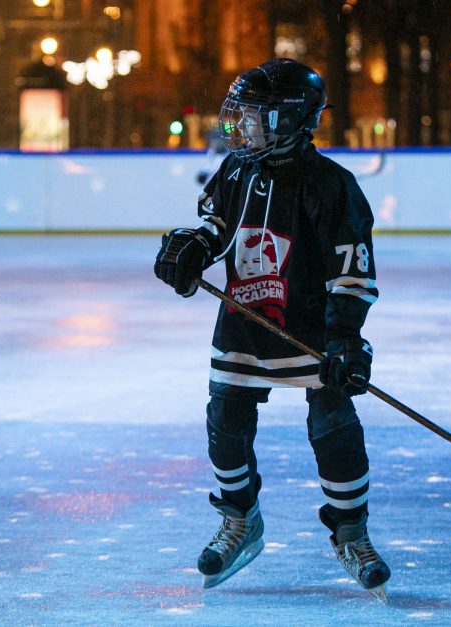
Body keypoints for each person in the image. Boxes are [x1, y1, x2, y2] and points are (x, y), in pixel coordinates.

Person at [154, 58, 390, 601]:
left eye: (252, 118)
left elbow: (351, 272)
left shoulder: (333, 186)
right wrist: (193, 249)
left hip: (311, 329)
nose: (238, 127)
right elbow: (217, 227)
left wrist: (346, 338)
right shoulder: (238, 169)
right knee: (225, 422)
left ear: (289, 120)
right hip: (244, 322)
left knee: (333, 426)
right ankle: (241, 519)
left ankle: (351, 531)